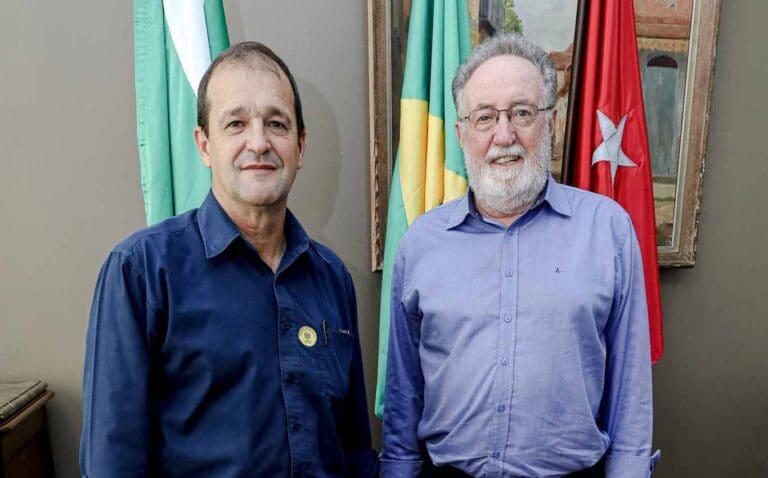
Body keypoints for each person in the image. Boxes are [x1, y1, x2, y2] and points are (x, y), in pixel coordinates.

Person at [80, 41, 378, 477]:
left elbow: (354, 452)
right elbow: (113, 462)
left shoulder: (332, 278)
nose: (258, 143)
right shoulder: (141, 272)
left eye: (276, 123)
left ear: (300, 145)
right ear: (204, 145)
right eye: (236, 123)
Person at [381, 33, 659, 477]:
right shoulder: (420, 244)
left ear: (551, 122)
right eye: (484, 117)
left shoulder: (608, 231)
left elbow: (630, 394)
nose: (504, 135)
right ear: (461, 133)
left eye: (522, 113)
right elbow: (402, 395)